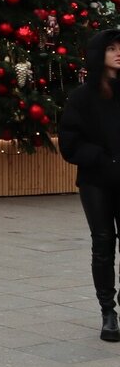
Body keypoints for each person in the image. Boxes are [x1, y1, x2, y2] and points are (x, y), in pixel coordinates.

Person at [59, 28, 120, 342]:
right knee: (103, 245)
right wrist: (100, 157)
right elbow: (69, 144)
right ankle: (108, 312)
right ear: (100, 54)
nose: (118, 53)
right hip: (96, 181)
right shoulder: (82, 97)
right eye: (111, 48)